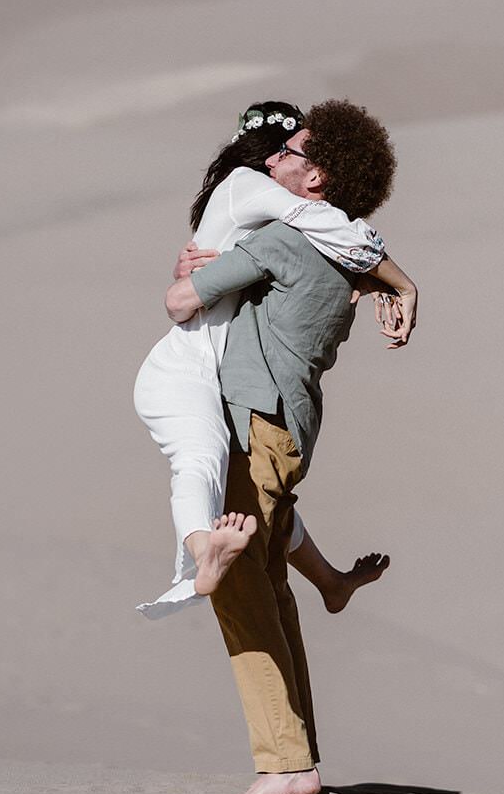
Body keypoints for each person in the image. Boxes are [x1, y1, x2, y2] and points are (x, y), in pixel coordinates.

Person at [162, 99, 400, 794]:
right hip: (291, 431)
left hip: (254, 421)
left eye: (289, 155)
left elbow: (182, 302)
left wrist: (194, 267)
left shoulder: (282, 244)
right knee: (269, 582)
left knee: (237, 584)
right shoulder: (346, 261)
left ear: (317, 179)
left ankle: (286, 764)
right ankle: (298, 753)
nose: (271, 162)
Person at [133, 101, 416, 621]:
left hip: (213, 369)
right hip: (186, 366)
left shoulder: (262, 208)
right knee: (203, 459)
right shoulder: (250, 184)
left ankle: (329, 582)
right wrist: (397, 281)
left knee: (262, 499)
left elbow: (318, 235)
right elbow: (324, 221)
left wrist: (373, 281)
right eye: (286, 149)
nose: (272, 164)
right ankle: (203, 555)